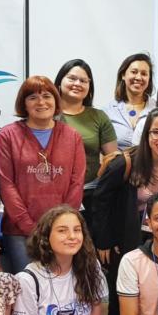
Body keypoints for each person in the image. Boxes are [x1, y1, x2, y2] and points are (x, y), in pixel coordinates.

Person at [92, 107, 158, 315]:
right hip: (124, 238)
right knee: (123, 292)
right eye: (156, 133)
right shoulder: (125, 163)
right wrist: (104, 241)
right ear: (146, 135)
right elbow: (100, 201)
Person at [0, 76, 85, 273]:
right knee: (27, 293)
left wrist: (59, 226)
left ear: (55, 100)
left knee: (60, 293)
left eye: (47, 96)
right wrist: (31, 228)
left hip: (62, 232)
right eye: (33, 97)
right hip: (20, 233)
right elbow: (6, 184)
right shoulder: (7, 136)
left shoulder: (72, 137)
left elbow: (76, 184)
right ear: (23, 104)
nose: (41, 102)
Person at [53, 59, 118, 211]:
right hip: (53, 192)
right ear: (59, 81)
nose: (77, 84)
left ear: (89, 87)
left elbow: (114, 158)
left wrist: (101, 177)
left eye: (83, 81)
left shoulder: (99, 116)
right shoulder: (46, 115)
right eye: (72, 78)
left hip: (90, 192)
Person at [107, 53, 153, 148]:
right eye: (134, 72)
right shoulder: (108, 111)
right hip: (117, 162)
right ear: (123, 75)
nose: (139, 77)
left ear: (149, 79)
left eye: (144, 74)